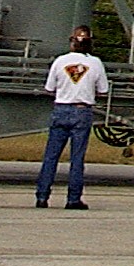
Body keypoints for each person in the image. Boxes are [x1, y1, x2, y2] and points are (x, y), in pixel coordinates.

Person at [36, 24, 108, 209]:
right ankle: (73, 199)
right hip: (82, 110)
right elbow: (103, 90)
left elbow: (49, 88)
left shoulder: (60, 61)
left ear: (72, 42)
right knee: (77, 158)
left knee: (51, 156)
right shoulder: (95, 63)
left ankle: (42, 196)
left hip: (61, 108)